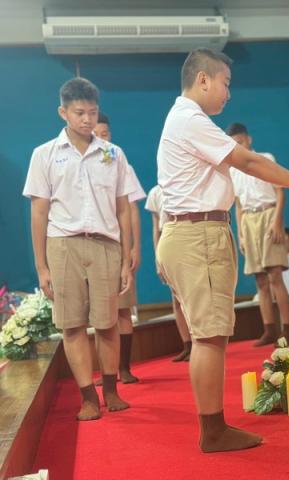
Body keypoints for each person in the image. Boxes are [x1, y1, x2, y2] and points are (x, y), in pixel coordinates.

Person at [155, 48, 289, 453]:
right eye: (225, 83)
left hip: (191, 233)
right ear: (202, 79)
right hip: (197, 236)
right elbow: (247, 162)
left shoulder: (181, 118)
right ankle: (213, 431)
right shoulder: (190, 119)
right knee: (210, 336)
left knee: (208, 334)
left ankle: (213, 427)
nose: (228, 93)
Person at [23, 77, 133, 421]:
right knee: (71, 326)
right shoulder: (44, 154)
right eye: (79, 113)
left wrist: (126, 258)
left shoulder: (113, 154)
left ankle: (111, 390)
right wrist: (41, 266)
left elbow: (123, 209)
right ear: (63, 112)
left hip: (106, 245)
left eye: (93, 112)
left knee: (108, 323)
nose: (87, 119)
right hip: (63, 245)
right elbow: (39, 212)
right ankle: (88, 398)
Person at [227, 123, 289, 347]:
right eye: (234, 143)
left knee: (275, 275)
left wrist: (277, 222)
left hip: (268, 214)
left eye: (240, 141)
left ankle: (287, 328)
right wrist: (241, 234)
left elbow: (280, 191)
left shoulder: (265, 158)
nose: (238, 145)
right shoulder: (232, 170)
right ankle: (269, 329)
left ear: (249, 139)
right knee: (260, 280)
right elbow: (237, 205)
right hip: (248, 219)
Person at [94, 112, 145, 383]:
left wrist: (134, 246)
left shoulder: (118, 160)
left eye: (105, 134)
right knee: (99, 314)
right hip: (93, 247)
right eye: (96, 134)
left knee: (123, 309)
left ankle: (124, 368)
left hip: (118, 246)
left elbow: (132, 209)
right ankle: (106, 372)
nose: (100, 139)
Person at [145, 185, 192, 362]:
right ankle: (187, 345)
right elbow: (155, 229)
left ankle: (198, 342)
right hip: (167, 240)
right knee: (176, 297)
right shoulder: (155, 193)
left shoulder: (183, 186)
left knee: (190, 295)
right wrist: (158, 258)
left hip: (185, 235)